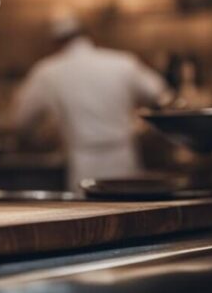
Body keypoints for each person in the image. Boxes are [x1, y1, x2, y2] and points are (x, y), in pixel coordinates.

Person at [11, 14, 168, 189]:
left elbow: (21, 120)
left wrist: (38, 139)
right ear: (88, 35)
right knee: (129, 210)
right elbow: (160, 94)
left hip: (84, 163)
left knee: (89, 211)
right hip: (124, 157)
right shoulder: (123, 62)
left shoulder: (47, 71)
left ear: (55, 42)